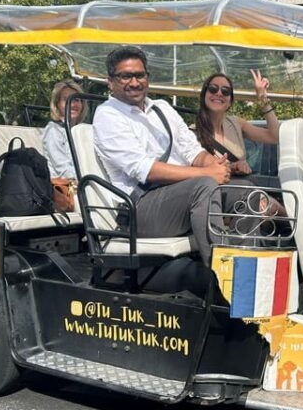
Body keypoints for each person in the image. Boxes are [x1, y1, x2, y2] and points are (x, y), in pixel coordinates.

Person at [92, 46, 253, 266]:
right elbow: (146, 170)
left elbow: (191, 150)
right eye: (125, 76)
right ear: (110, 82)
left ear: (147, 77)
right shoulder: (107, 115)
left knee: (245, 190)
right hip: (141, 208)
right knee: (204, 185)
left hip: (177, 197)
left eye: (139, 75)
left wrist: (216, 164)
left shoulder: (162, 108)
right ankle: (221, 275)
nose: (134, 82)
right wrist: (207, 173)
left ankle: (245, 261)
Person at [193, 71, 279, 177]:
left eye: (225, 91)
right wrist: (233, 167)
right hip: (211, 191)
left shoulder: (237, 123)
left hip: (240, 189)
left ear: (230, 102)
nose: (219, 93)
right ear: (204, 95)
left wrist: (262, 97)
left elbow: (274, 137)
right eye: (213, 89)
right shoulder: (191, 133)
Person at [42, 79, 86, 179]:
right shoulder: (53, 131)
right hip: (68, 188)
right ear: (57, 104)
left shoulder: (83, 131)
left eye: (77, 100)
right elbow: (64, 171)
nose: (73, 104)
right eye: (67, 100)